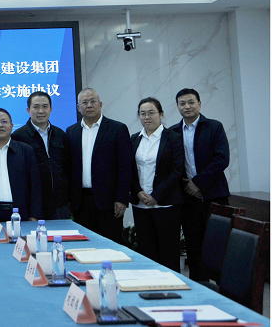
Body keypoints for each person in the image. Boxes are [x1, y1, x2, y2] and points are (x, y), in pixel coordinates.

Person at [170, 88, 231, 281]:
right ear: (177, 107)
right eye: (182, 103)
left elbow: (221, 159)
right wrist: (187, 186)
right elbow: (172, 165)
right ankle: (198, 284)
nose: (187, 106)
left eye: (191, 102)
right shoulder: (172, 132)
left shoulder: (214, 127)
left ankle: (221, 288)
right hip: (188, 198)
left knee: (218, 244)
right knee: (193, 245)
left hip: (215, 195)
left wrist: (198, 183)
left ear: (199, 104)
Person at [66, 88, 132, 243]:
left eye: (93, 101)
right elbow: (69, 168)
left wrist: (122, 199)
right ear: (78, 107)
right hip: (81, 202)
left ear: (100, 104)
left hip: (109, 202)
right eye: (85, 102)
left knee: (110, 246)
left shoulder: (117, 129)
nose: (89, 105)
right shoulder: (71, 132)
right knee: (85, 246)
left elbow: (125, 167)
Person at [130, 97, 184, 271]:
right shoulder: (134, 139)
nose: (147, 117)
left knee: (169, 253)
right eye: (143, 114)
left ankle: (172, 286)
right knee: (147, 253)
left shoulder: (173, 138)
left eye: (151, 113)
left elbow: (177, 170)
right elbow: (129, 170)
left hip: (166, 205)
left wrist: (156, 196)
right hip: (141, 205)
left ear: (161, 114)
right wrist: (137, 191)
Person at [11, 90, 71, 219]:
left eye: (45, 106)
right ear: (28, 110)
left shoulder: (60, 134)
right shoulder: (18, 137)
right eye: (36, 107)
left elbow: (68, 167)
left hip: (60, 205)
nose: (41, 111)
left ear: (51, 109)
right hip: (33, 206)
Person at [0, 108, 42, 222]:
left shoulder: (26, 151)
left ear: (11, 126)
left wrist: (35, 214)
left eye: (4, 122)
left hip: (20, 213)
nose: (0, 125)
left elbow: (35, 185)